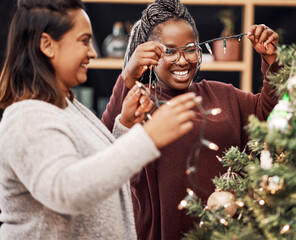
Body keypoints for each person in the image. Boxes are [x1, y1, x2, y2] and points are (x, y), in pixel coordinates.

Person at [0, 0, 201, 239]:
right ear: (47, 45)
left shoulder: (68, 107)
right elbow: (67, 191)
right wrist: (147, 138)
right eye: (84, 41)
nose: (92, 52)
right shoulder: (27, 117)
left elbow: (95, 173)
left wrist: (125, 127)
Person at [101, 0, 280, 239]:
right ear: (150, 54)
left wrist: (272, 61)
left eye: (190, 48)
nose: (183, 60)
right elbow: (104, 146)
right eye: (170, 51)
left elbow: (270, 114)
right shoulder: (138, 101)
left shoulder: (222, 95)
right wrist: (129, 75)